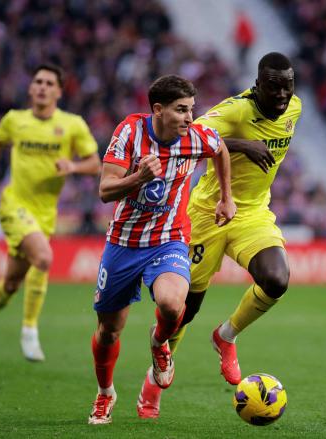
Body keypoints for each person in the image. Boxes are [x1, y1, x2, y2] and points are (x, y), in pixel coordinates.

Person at [138, 52, 302, 418]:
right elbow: (190, 136)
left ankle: (226, 335)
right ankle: (154, 379)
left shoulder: (295, 110)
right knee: (182, 310)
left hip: (253, 213)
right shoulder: (234, 111)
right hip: (207, 213)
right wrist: (241, 145)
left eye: (287, 87)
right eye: (274, 87)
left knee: (276, 279)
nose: (281, 95)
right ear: (257, 84)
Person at [87, 74, 236, 425]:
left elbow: (221, 149)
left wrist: (226, 198)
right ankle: (105, 393)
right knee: (109, 330)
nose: (189, 117)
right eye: (182, 110)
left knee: (172, 304)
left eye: (191, 110)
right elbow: (105, 191)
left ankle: (159, 344)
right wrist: (138, 178)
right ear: (158, 109)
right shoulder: (129, 133)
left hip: (169, 239)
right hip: (123, 243)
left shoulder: (196, 136)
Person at [0, 64, 101, 361]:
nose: (42, 86)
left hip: (45, 213)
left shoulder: (72, 124)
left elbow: (95, 163)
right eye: (37, 81)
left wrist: (73, 166)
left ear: (58, 91)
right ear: (30, 88)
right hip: (14, 204)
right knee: (43, 257)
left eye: (48, 83)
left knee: (12, 283)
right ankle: (29, 330)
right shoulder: (15, 120)